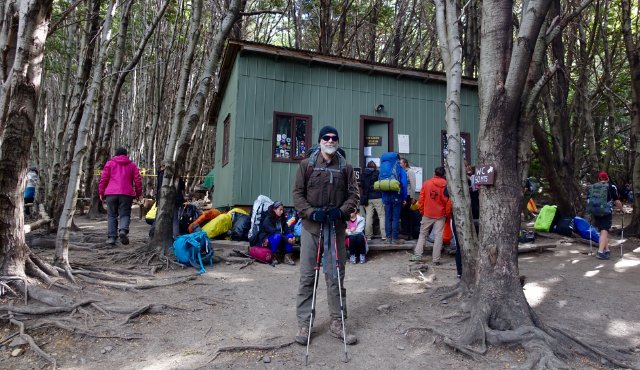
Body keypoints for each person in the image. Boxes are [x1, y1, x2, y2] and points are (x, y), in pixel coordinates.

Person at [292, 125, 360, 346]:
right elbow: (297, 194)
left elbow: (354, 195)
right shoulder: (306, 165)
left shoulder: (346, 167)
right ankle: (304, 324)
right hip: (312, 228)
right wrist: (312, 212)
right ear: (320, 141)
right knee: (307, 277)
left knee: (335, 276)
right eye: (326, 138)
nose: (330, 141)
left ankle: (337, 322)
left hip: (336, 228)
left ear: (337, 142)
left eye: (334, 138)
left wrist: (342, 211)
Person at [98, 147, 143, 245]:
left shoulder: (110, 163)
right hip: (126, 194)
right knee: (125, 214)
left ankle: (111, 238)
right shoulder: (132, 165)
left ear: (116, 154)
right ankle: (123, 230)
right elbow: (138, 180)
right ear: (126, 155)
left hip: (111, 194)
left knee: (112, 215)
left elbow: (103, 179)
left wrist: (101, 192)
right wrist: (139, 194)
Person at [410, 167, 449, 264]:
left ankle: (418, 255)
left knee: (422, 234)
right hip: (440, 214)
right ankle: (436, 259)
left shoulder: (427, 183)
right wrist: (446, 213)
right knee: (438, 236)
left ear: (434, 173)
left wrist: (422, 210)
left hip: (427, 213)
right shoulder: (446, 185)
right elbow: (448, 201)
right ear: (443, 174)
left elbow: (421, 198)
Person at [588, 171, 623, 260]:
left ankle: (606, 250)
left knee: (602, 232)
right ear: (607, 178)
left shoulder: (593, 187)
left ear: (598, 179)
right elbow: (616, 201)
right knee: (604, 231)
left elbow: (589, 200)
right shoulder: (611, 187)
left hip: (595, 212)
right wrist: (622, 209)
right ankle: (600, 252)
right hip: (606, 212)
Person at [380, 152, 408, 244]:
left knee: (388, 217)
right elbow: (404, 184)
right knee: (395, 217)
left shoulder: (383, 168)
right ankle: (395, 238)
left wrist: (383, 198)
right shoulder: (400, 169)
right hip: (396, 195)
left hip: (386, 196)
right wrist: (404, 198)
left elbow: (381, 183)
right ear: (398, 160)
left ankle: (388, 238)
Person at [257, 201, 295, 265]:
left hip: (280, 238)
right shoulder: (268, 220)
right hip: (269, 240)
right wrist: (287, 239)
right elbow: (274, 232)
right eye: (280, 210)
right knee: (277, 236)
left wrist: (293, 237)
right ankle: (273, 257)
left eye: (282, 210)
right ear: (274, 210)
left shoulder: (282, 218)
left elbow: (287, 229)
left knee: (290, 235)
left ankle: (287, 257)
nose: (282, 211)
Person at [360, 160, 386, 240]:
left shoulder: (363, 174)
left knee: (368, 216)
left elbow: (362, 186)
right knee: (381, 216)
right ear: (375, 167)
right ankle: (384, 235)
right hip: (378, 197)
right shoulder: (377, 173)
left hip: (368, 198)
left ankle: (368, 236)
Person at [399, 158, 417, 240]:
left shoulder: (410, 172)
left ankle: (408, 232)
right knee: (403, 214)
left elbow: (413, 185)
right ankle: (404, 231)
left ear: (405, 163)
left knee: (405, 214)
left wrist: (413, 197)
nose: (400, 164)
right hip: (402, 195)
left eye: (401, 163)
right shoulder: (401, 172)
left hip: (408, 195)